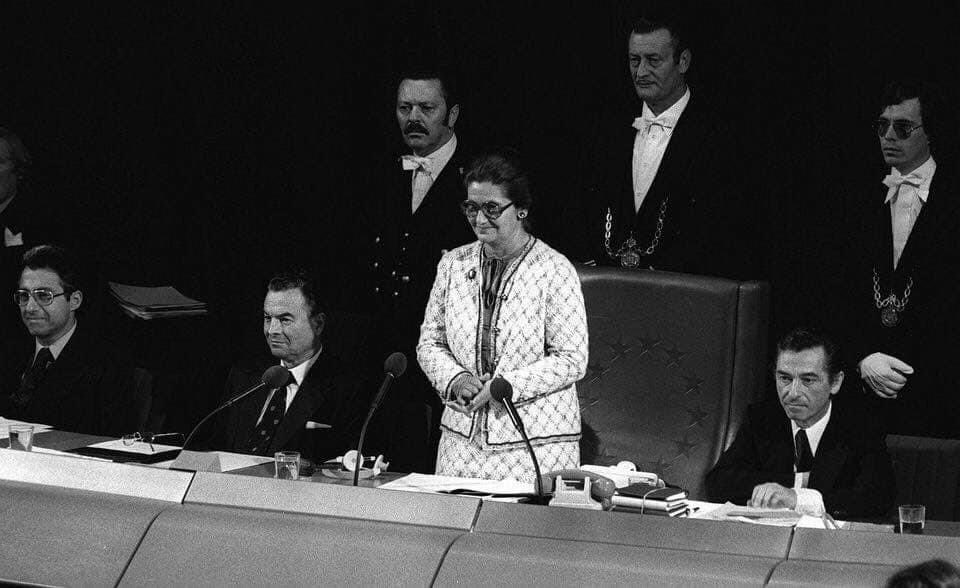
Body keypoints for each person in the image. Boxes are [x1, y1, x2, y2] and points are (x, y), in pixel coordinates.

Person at [417, 151, 589, 483]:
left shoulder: (554, 270)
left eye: (492, 209)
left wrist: (502, 387)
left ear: (521, 209)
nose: (479, 219)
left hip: (535, 447)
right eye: (471, 208)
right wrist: (457, 380)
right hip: (461, 444)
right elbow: (430, 343)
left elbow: (572, 359)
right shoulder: (453, 264)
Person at [562, 14, 754, 278]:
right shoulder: (605, 130)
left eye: (653, 60)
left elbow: (717, 229)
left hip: (681, 296)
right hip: (606, 293)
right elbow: (578, 213)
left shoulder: (718, 137)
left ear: (683, 62)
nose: (640, 73)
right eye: (634, 60)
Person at [361, 68, 476, 472]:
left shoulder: (478, 180)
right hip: (384, 357)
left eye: (427, 108)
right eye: (404, 107)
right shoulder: (378, 171)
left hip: (446, 358)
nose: (414, 117)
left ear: (453, 114)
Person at [845, 80, 960, 438]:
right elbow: (836, 291)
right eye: (882, 126)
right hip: (867, 386)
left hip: (938, 396)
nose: (889, 136)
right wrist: (862, 358)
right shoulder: (858, 198)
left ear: (929, 132)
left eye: (903, 127)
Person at [705, 327, 895, 519]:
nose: (793, 392)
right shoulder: (762, 418)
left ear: (835, 382)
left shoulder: (861, 426)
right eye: (785, 378)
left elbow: (877, 499)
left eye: (808, 380)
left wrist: (797, 498)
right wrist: (797, 482)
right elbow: (718, 483)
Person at [209, 270, 376, 463]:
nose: (272, 331)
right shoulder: (244, 375)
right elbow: (215, 451)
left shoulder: (349, 388)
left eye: (285, 320)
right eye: (267, 318)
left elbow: (352, 466)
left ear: (318, 324)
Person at [0, 245, 135, 436]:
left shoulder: (107, 366)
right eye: (24, 296)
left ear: (74, 300)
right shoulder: (9, 355)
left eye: (43, 296)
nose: (29, 307)